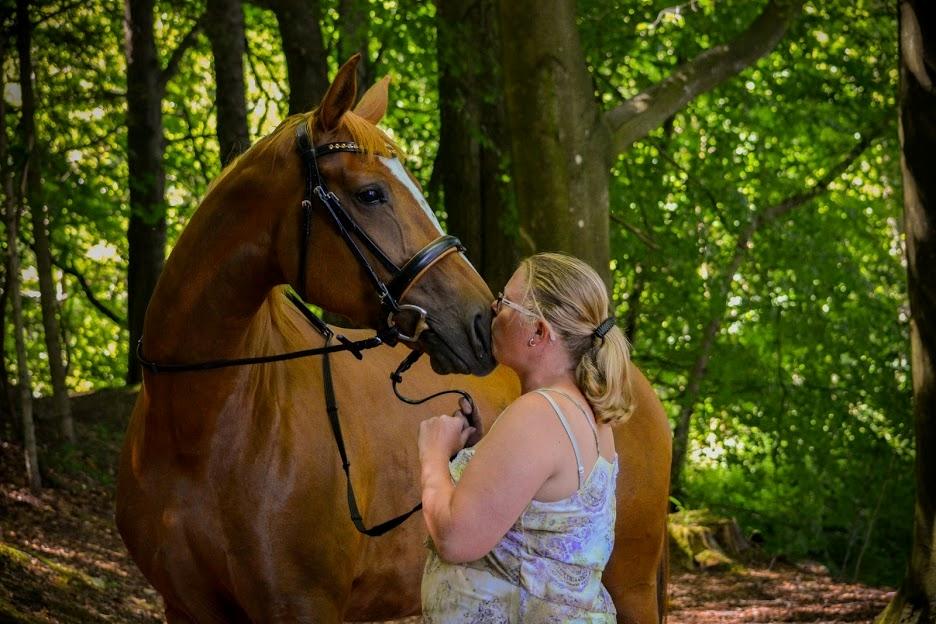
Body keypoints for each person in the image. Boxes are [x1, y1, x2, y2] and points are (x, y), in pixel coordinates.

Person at [418, 252, 635, 623]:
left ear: (539, 332)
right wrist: (476, 454)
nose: (493, 308)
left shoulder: (538, 413)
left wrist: (433, 454)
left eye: (505, 301)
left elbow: (455, 539)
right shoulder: (586, 413)